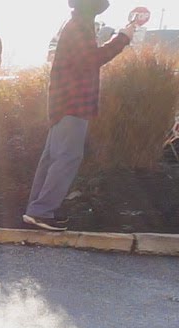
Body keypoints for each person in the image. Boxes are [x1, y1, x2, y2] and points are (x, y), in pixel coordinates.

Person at [24, 0, 135, 231]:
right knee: (67, 157)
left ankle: (37, 210)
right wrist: (123, 38)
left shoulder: (75, 24)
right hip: (74, 103)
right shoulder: (80, 26)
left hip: (62, 103)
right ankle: (42, 211)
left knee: (52, 159)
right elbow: (92, 60)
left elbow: (85, 59)